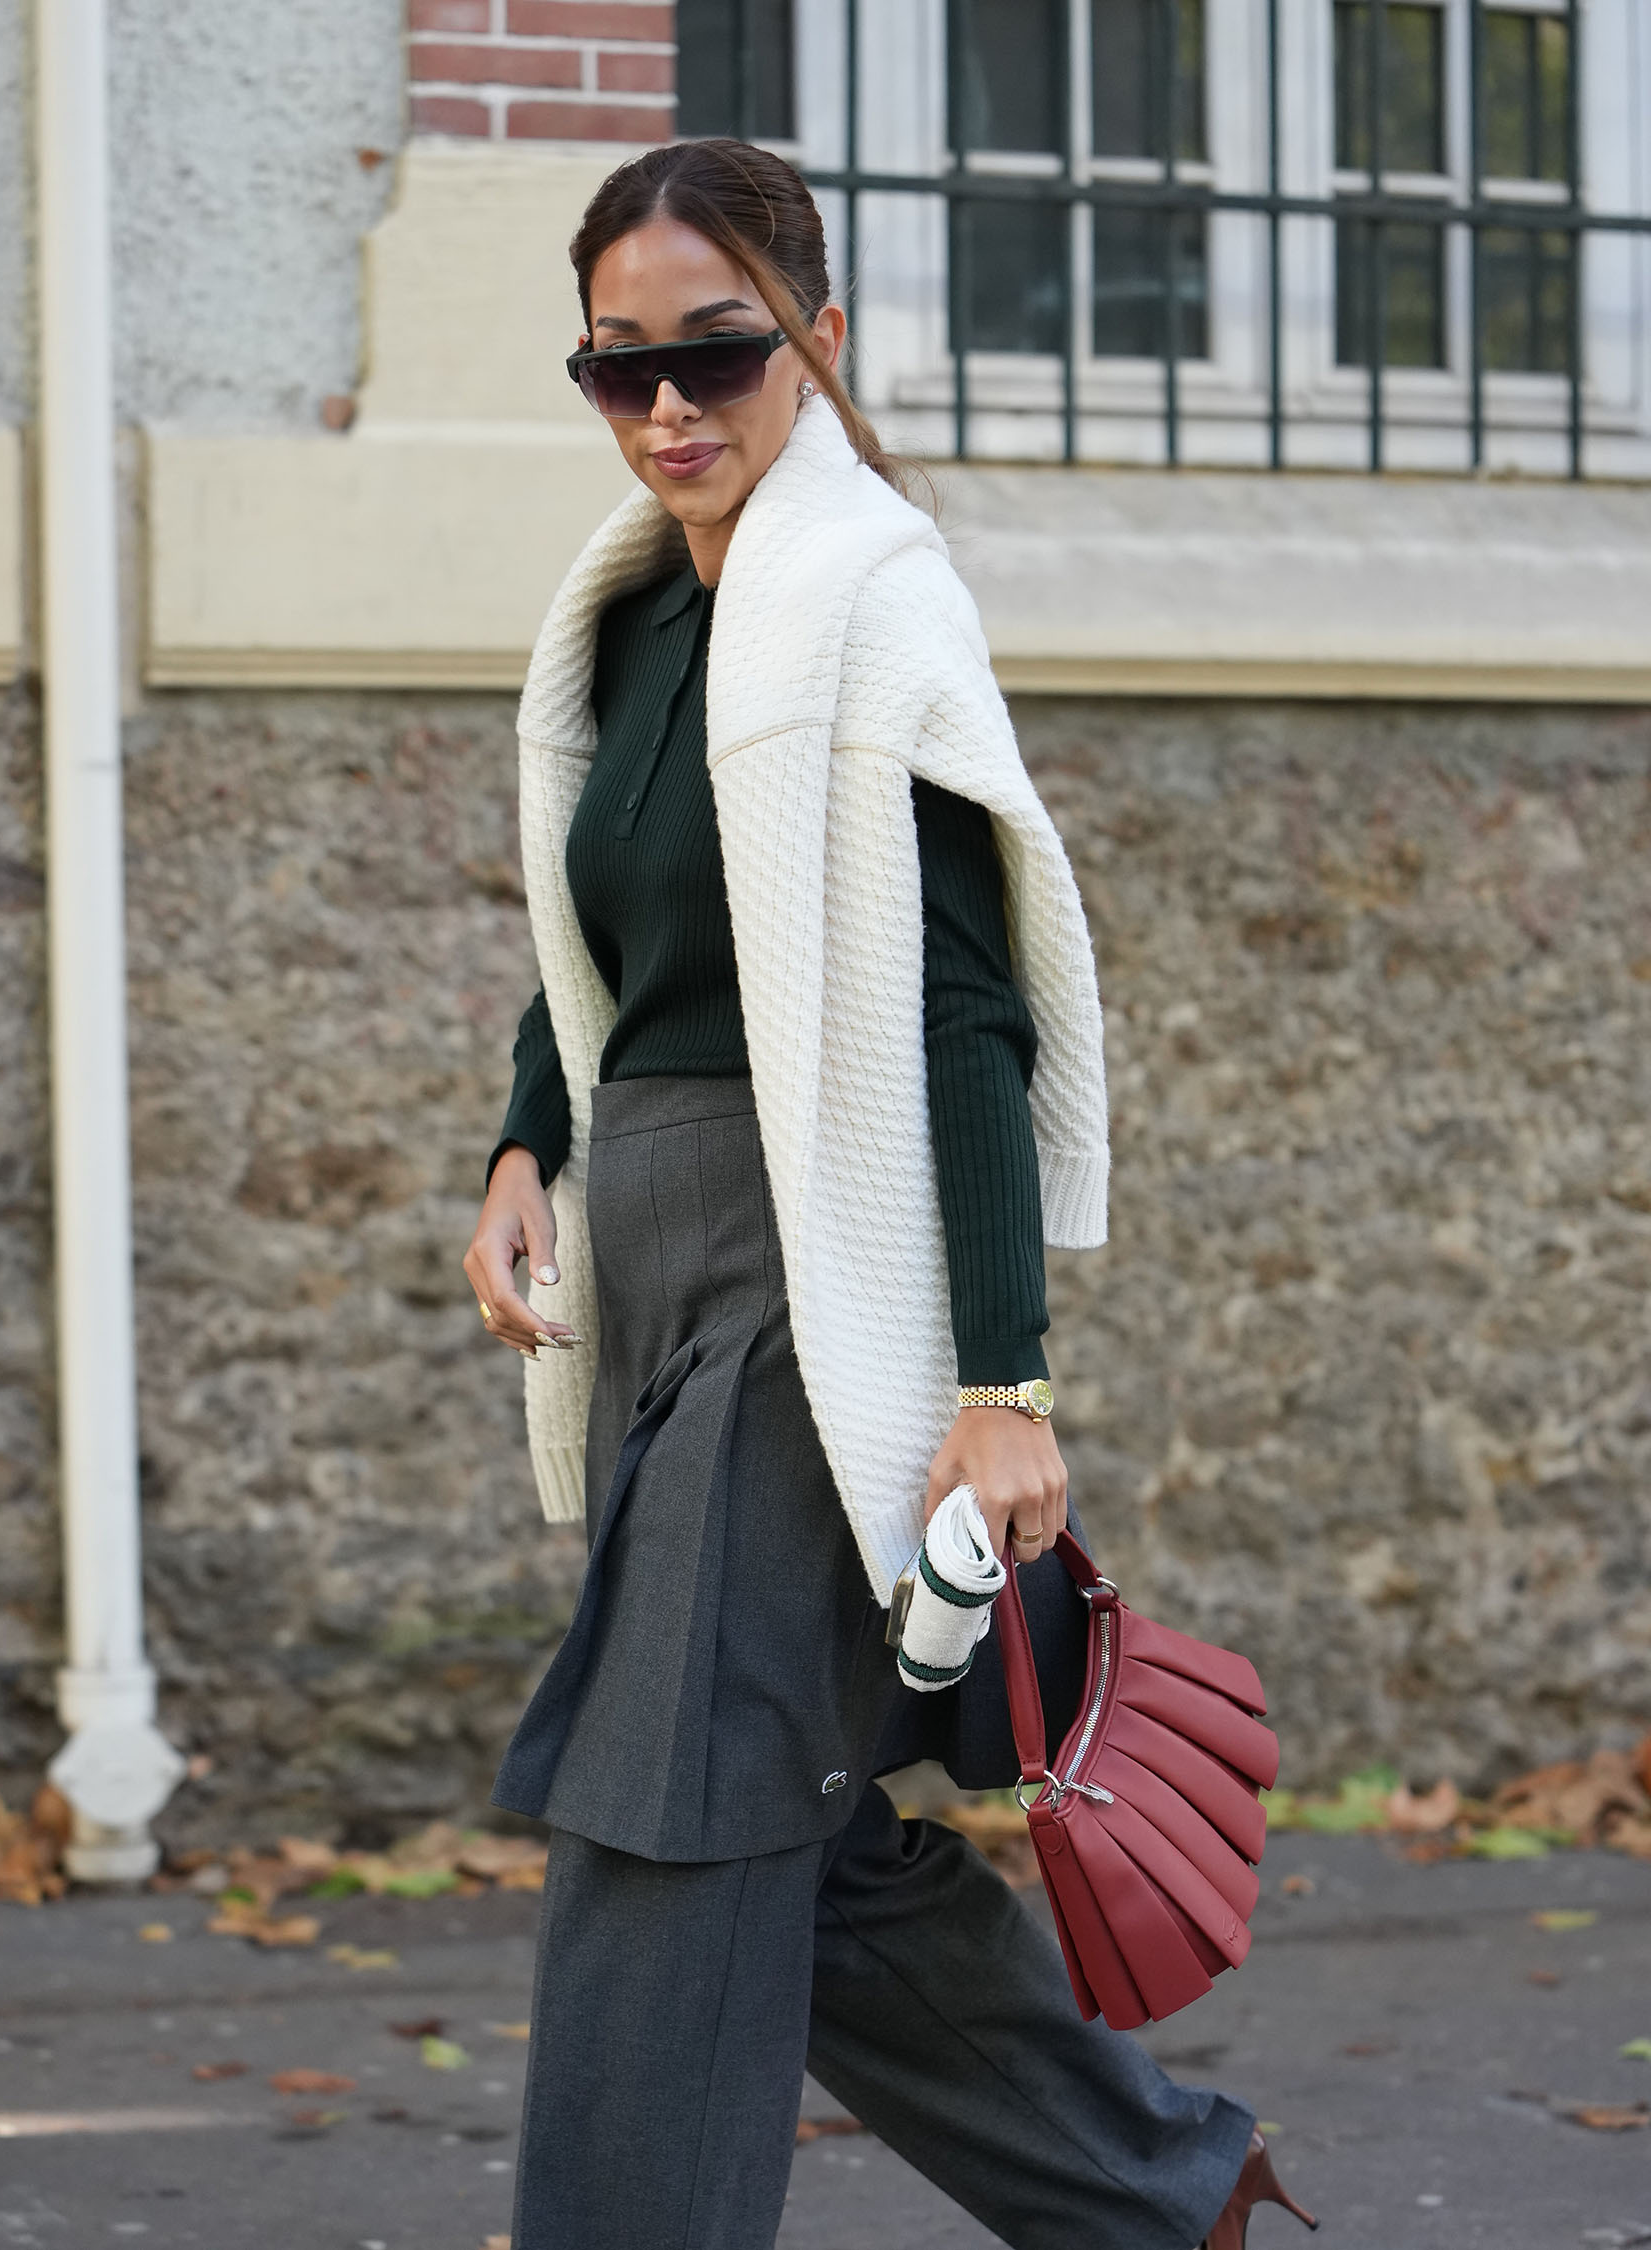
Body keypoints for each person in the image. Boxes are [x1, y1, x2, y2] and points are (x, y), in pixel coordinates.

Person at [455, 140, 1314, 2250]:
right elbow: (604, 941)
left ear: (816, 341)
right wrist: (522, 1140)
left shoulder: (865, 597)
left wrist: (1003, 1382)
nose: (670, 405)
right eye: (619, 365)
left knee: (667, 1805)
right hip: (654, 1252)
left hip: (804, 1268)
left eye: (719, 351)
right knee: (800, 1834)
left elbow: (967, 1009)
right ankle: (1162, 2190)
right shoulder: (635, 613)